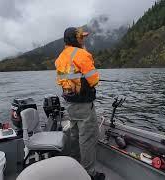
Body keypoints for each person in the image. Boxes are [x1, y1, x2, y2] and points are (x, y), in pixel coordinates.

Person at [55, 27, 105, 180]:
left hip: (70, 104)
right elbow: (94, 80)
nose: (83, 40)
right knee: (88, 137)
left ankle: (74, 166)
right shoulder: (82, 54)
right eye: (81, 38)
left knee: (75, 135)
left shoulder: (60, 58)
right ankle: (88, 173)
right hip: (84, 104)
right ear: (75, 39)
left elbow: (64, 79)